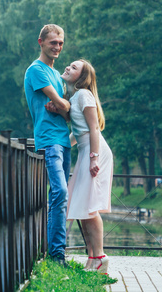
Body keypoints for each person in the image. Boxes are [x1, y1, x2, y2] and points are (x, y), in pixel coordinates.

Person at [47, 59, 113, 273]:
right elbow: (78, 131)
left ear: (82, 78)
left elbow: (94, 129)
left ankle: (100, 256)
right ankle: (93, 258)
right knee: (83, 207)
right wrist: (64, 142)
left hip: (95, 152)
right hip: (86, 152)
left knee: (90, 207)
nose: (68, 67)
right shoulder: (75, 98)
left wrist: (94, 157)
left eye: (74, 68)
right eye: (70, 65)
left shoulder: (84, 94)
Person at [24, 24, 71, 265]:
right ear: (40, 42)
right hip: (49, 141)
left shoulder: (58, 76)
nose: (58, 47)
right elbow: (60, 105)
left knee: (60, 196)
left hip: (65, 141)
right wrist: (64, 106)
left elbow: (66, 110)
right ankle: (56, 254)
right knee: (59, 192)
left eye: (61, 43)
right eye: (53, 42)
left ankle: (56, 251)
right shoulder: (36, 70)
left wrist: (65, 107)